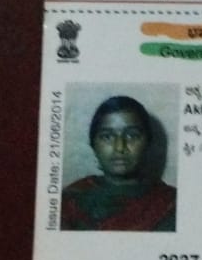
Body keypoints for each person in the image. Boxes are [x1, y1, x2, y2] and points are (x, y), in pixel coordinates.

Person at [61, 95, 176, 231]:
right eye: (107, 136)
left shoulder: (171, 204)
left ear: (148, 142)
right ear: (93, 144)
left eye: (132, 135)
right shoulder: (70, 200)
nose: (120, 147)